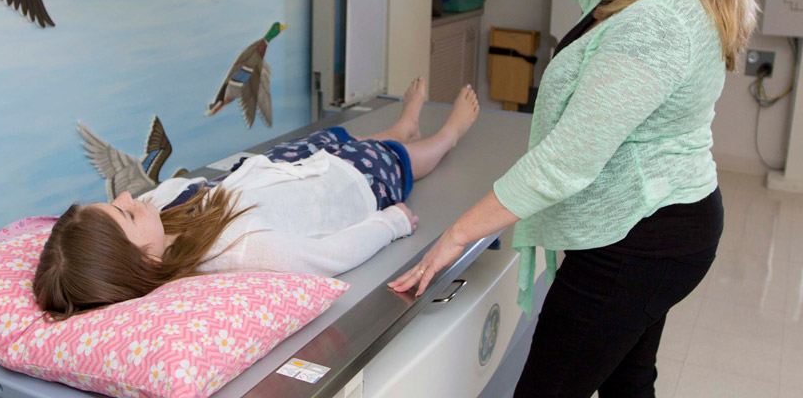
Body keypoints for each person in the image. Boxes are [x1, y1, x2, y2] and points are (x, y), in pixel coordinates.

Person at [390, 0, 757, 397]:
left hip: (643, 241)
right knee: (628, 384)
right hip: (661, 223)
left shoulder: (662, 23)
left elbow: (566, 161)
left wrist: (458, 233)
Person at [34, 79, 480, 320]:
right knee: (390, 157)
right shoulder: (237, 250)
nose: (130, 195)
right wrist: (392, 223)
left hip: (281, 169)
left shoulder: (159, 216)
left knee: (342, 138)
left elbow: (175, 193)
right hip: (346, 189)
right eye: (125, 212)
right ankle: (444, 136)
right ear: (144, 261)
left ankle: (402, 126)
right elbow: (328, 256)